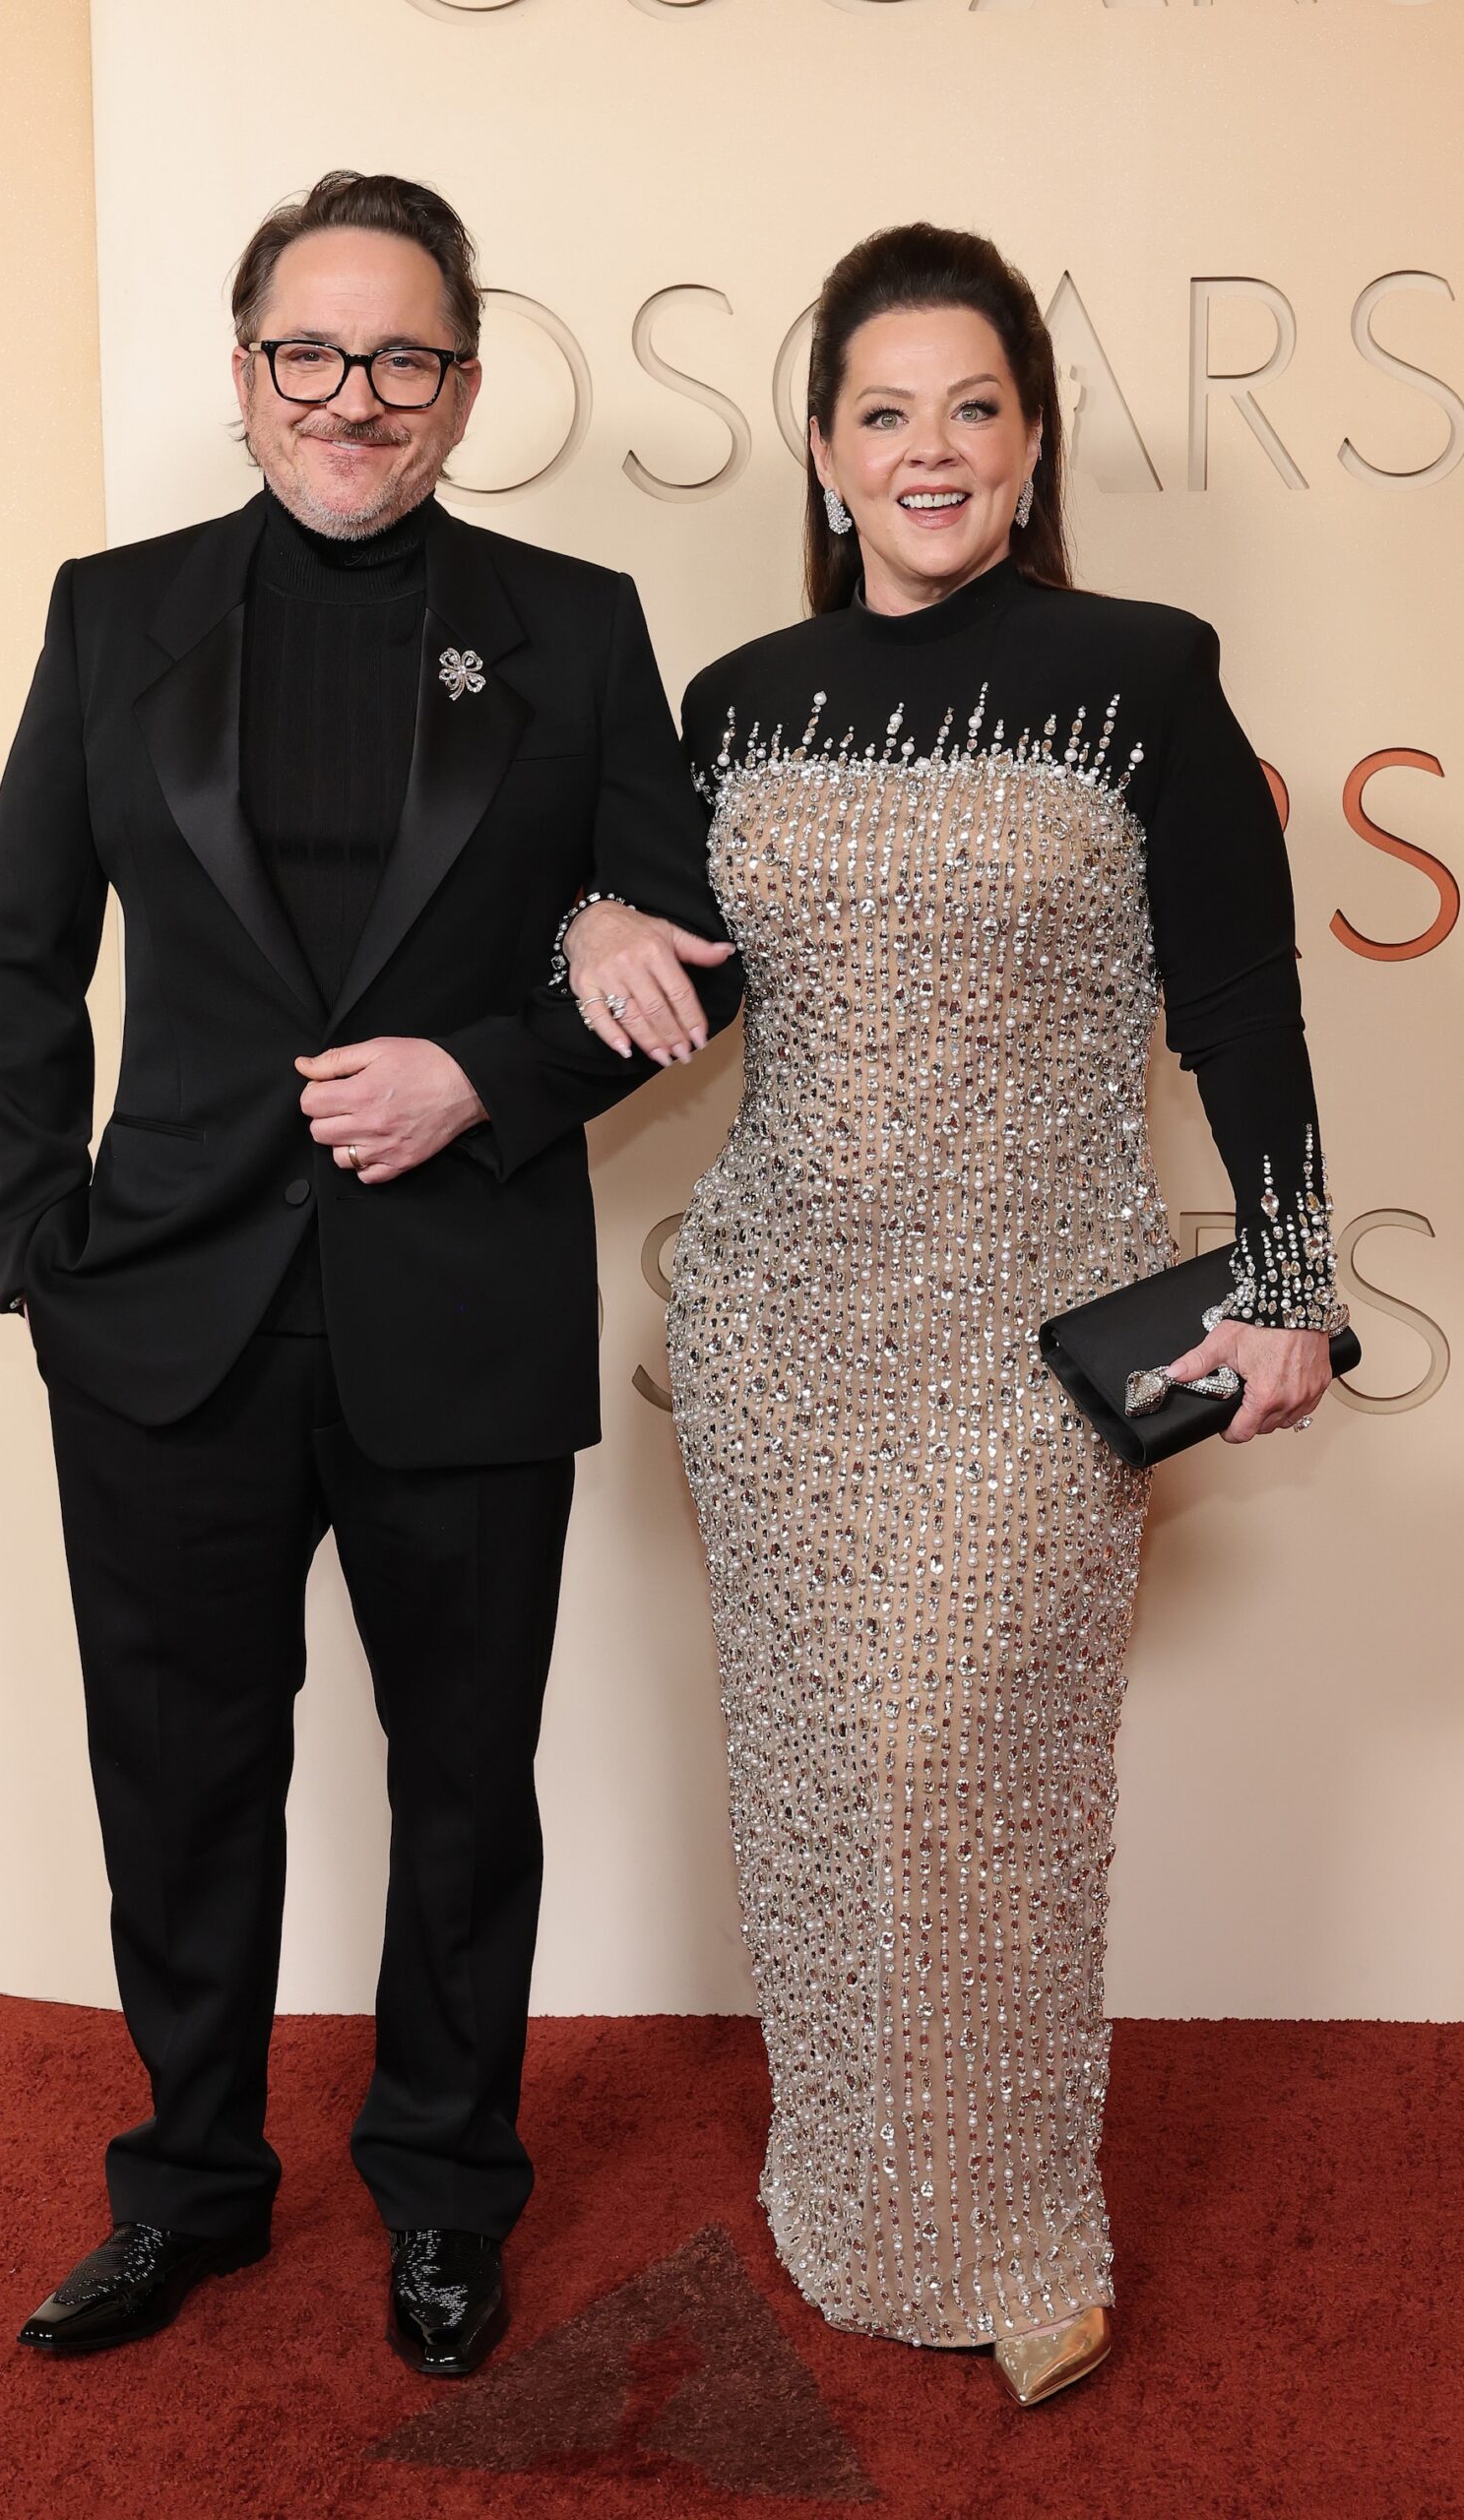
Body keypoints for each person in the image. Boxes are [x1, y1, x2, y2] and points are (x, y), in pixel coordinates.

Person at [0, 169, 737, 2374]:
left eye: (403, 356)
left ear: (463, 389)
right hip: (164, 1317)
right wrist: (45, 1254)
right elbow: (22, 961)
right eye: (309, 351)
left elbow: (691, 951)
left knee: (462, 1788)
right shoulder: (113, 614)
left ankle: (446, 2192)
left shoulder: (575, 625)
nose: (352, 395)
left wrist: (481, 1072)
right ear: (244, 374)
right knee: (179, 1779)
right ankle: (188, 2186)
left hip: (460, 1310)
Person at [563, 222, 1341, 2409]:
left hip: (1036, 1331)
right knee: (823, 1783)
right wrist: (588, 918)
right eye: (883, 410)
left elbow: (1242, 1003)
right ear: (823, 452)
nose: (930, 449)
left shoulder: (1142, 670)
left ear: (1029, 440)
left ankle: (1013, 2224)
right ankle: (851, 2190)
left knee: (968, 1768)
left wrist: (1289, 1283)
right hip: (780, 1332)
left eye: (972, 407)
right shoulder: (738, 700)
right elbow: (660, 979)